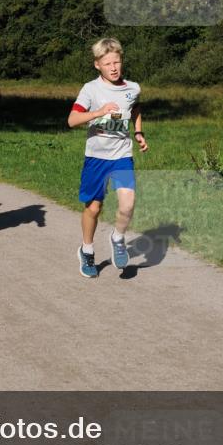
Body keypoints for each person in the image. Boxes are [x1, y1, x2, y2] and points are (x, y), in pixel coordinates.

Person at [67, 37, 148, 278]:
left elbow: (135, 109)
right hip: (96, 157)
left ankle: (118, 238)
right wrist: (100, 112)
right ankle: (87, 250)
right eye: (107, 63)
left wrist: (139, 132)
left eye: (117, 62)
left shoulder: (132, 88)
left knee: (128, 202)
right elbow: (72, 120)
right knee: (94, 207)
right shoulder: (90, 89)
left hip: (122, 154)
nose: (113, 67)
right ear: (97, 65)